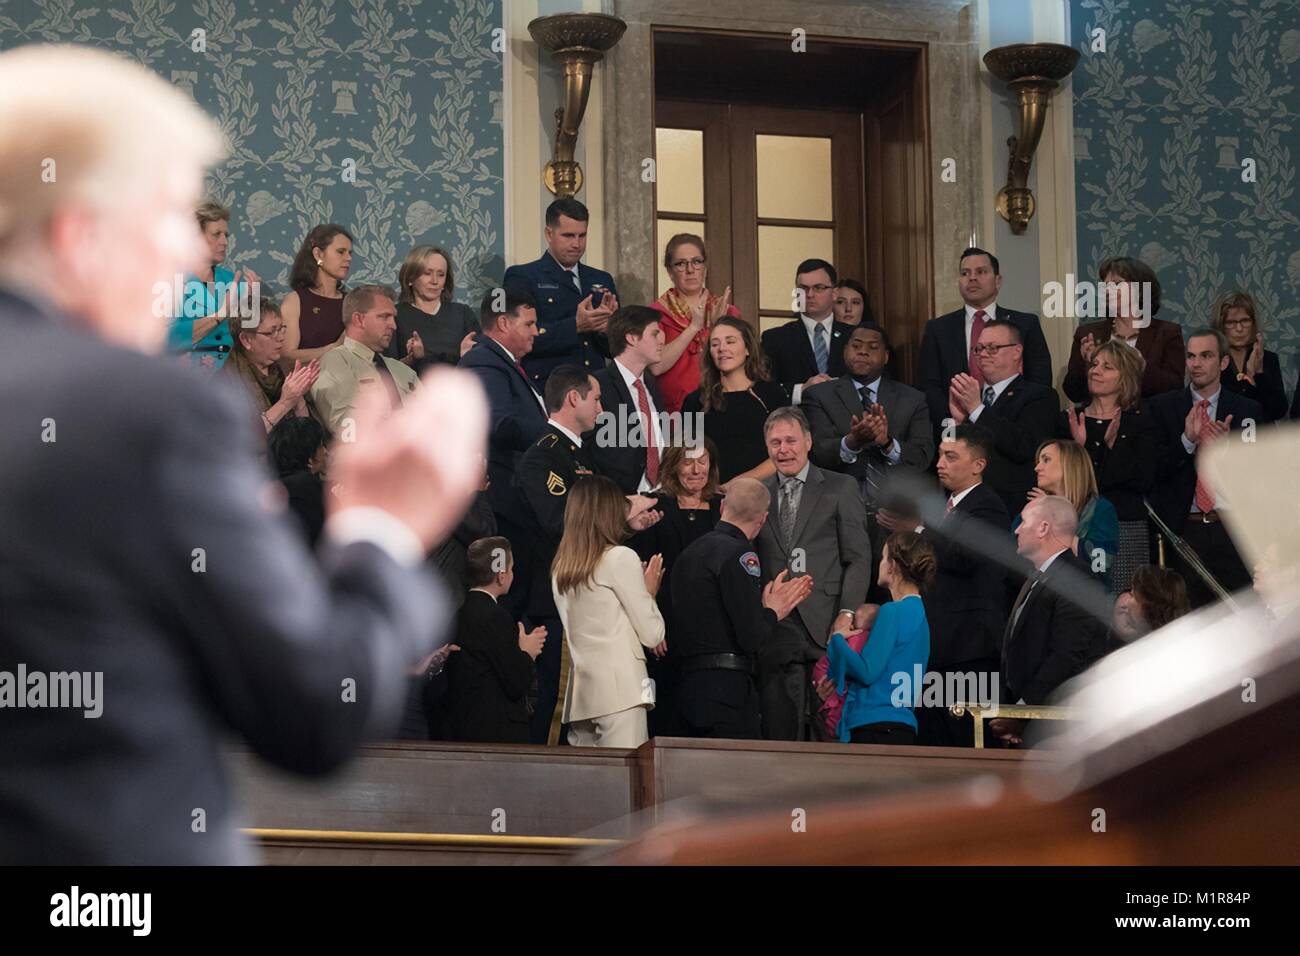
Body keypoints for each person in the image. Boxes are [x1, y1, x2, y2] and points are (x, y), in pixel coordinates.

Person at [0, 42, 488, 864]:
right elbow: (314, 708)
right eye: (167, 219)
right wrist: (384, 529)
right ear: (81, 234)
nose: (191, 259)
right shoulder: (149, 412)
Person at [881, 424, 1011, 747]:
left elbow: (966, 554)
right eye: (940, 455)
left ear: (978, 465)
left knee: (967, 743)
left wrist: (920, 530)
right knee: (934, 740)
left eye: (951, 456)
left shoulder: (987, 506)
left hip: (971, 651)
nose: (940, 463)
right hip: (939, 651)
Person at [755, 406, 873, 740]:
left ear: (808, 441)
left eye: (791, 440)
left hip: (826, 622)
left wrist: (846, 613)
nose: (783, 449)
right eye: (775, 442)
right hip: (777, 627)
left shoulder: (840, 487)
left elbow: (859, 557)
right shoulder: (760, 493)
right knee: (781, 729)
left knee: (828, 726)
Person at [670, 478, 814, 739]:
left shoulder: (689, 552)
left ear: (723, 505)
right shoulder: (741, 555)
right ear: (763, 519)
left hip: (686, 688)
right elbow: (751, 637)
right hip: (728, 692)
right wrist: (771, 611)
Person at [1149, 329, 1263, 608]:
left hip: (1231, 530)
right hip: (1183, 530)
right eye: (1190, 356)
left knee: (1239, 617)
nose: (1196, 364)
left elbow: (1260, 477)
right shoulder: (1162, 407)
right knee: (1185, 619)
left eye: (1206, 356)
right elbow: (1150, 471)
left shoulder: (1247, 410)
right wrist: (1187, 440)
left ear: (1223, 363)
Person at [552, 477, 666, 748]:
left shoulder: (560, 568)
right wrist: (649, 591)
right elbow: (653, 634)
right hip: (623, 694)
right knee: (625, 783)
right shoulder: (620, 557)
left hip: (582, 698)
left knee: (587, 786)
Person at [459, 282, 549, 611]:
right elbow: (500, 425)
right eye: (528, 323)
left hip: (517, 501)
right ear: (503, 323)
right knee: (514, 604)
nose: (536, 331)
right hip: (505, 502)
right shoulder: (485, 362)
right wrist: (556, 432)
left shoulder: (503, 363)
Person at [991, 496, 1108, 746]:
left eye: (1023, 522)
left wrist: (1023, 713)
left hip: (1058, 731)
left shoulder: (1075, 580)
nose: (1017, 529)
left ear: (1043, 528)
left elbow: (1065, 657)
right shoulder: (1041, 576)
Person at [631, 440, 724, 735]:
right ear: (673, 467)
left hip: (713, 627)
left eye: (703, 461)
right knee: (667, 708)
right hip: (666, 623)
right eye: (688, 462)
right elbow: (640, 571)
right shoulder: (656, 507)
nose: (697, 470)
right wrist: (652, 625)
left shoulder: (723, 508)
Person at [1060, 339, 1158, 592]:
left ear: (1125, 377)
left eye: (1107, 367)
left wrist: (1111, 447)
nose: (1095, 370)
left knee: (1125, 606)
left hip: (1124, 528)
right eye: (1094, 364)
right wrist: (1080, 448)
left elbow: (1141, 480)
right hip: (1075, 527)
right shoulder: (1071, 420)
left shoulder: (1140, 422)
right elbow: (1064, 480)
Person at [918, 247, 1052, 432]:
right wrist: (956, 420)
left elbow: (1039, 379)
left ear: (998, 281)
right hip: (954, 426)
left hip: (1011, 426)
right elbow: (929, 386)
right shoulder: (938, 328)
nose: (972, 278)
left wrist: (995, 420)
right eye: (965, 273)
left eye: (981, 272)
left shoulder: (1025, 324)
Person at [803, 322, 934, 502]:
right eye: (856, 346)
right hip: (836, 502)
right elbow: (815, 451)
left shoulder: (912, 399)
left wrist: (887, 443)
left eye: (873, 347)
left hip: (897, 506)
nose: (863, 352)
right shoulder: (818, 396)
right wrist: (851, 442)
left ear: (886, 356)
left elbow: (922, 456)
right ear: (845, 351)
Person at [824, 532, 934, 744]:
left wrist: (838, 639)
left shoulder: (892, 611)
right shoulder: (921, 615)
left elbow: (867, 671)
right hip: (901, 727)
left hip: (874, 726)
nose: (880, 563)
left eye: (883, 558)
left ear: (892, 565)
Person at [945, 318, 1060, 516]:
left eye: (992, 348)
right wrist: (957, 422)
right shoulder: (972, 396)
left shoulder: (1039, 396)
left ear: (1017, 352)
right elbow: (950, 452)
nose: (983, 354)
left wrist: (976, 410)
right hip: (965, 510)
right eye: (978, 349)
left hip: (1010, 510)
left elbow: (1024, 447)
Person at [503, 197, 620, 389]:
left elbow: (617, 350)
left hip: (595, 390)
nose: (576, 244)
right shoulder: (523, 276)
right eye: (568, 235)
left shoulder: (602, 279)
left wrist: (608, 330)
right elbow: (517, 338)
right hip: (550, 390)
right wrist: (575, 325)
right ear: (549, 234)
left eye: (582, 236)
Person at [445, 538, 546, 744]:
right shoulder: (495, 617)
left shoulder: (457, 614)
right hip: (495, 734)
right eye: (511, 568)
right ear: (501, 575)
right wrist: (527, 652)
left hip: (461, 728)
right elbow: (515, 681)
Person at [682, 317, 789, 484]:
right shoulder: (695, 401)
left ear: (747, 349)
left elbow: (786, 451)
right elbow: (685, 457)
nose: (722, 349)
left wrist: (740, 482)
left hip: (764, 490)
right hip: (712, 495)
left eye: (730, 342)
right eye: (715, 344)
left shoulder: (772, 394)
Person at [1063, 256, 1184, 403]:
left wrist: (1140, 366)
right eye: (1106, 285)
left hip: (1149, 421)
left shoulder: (1167, 332)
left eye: (1117, 284)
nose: (1108, 290)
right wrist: (1086, 363)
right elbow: (1073, 393)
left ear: (1140, 290)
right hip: (1099, 420)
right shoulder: (1088, 334)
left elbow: (1175, 387)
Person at [309, 284, 419, 435]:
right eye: (384, 317)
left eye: (393, 318)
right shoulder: (337, 361)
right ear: (359, 319)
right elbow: (343, 424)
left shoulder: (402, 370)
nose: (393, 325)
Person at [648, 233, 739, 413]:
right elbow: (656, 367)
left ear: (705, 267)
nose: (690, 269)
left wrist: (718, 325)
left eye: (697, 261)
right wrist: (694, 327)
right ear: (669, 270)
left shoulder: (727, 312)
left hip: (721, 407)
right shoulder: (656, 313)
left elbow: (739, 364)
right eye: (681, 264)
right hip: (674, 413)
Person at [166, 200, 260, 372]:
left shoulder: (233, 281)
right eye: (216, 234)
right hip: (186, 374)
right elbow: (164, 340)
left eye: (226, 235)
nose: (224, 242)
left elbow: (251, 337)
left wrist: (253, 301)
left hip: (234, 372)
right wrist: (218, 315)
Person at [589, 305, 669, 494]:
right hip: (616, 503)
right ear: (631, 338)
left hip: (660, 498)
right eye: (655, 334)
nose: (662, 340)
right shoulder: (598, 385)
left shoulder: (650, 385)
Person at [221, 298, 320, 443]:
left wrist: (298, 398)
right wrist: (285, 403)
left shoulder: (284, 368)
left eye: (281, 329)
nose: (281, 337)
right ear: (246, 340)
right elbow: (241, 442)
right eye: (272, 332)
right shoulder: (225, 381)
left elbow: (307, 436)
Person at [1027, 440, 1120, 592]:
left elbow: (1102, 563)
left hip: (1084, 602)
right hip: (1039, 598)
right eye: (1038, 461)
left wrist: (1055, 519)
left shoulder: (1100, 509)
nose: (1037, 468)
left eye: (1046, 459)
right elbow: (1015, 554)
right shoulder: (1034, 508)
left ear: (1069, 465)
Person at [761, 258, 856, 402]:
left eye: (818, 287)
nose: (810, 294)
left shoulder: (854, 335)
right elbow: (765, 390)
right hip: (797, 418)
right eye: (803, 288)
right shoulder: (775, 338)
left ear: (835, 293)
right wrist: (802, 389)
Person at [387, 245, 480, 374]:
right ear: (410, 278)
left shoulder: (463, 314)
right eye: (427, 273)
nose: (435, 281)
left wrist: (466, 357)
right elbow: (387, 370)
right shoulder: (395, 316)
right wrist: (413, 358)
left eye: (441, 275)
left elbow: (482, 366)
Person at [1211, 291, 1289, 424]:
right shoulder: (1212, 360)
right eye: (1231, 322)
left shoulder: (1269, 358)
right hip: (1225, 439)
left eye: (1245, 321)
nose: (1239, 328)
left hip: (1262, 439)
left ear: (1253, 324)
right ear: (1221, 326)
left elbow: (1278, 410)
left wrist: (1259, 374)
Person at [281, 223, 352, 364]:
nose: (348, 258)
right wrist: (334, 348)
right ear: (318, 254)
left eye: (350, 253)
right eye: (341, 252)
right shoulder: (295, 301)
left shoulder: (351, 302)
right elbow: (287, 355)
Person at [267, 415, 329, 548]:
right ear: (310, 456)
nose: (326, 452)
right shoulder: (305, 486)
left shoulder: (273, 487)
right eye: (321, 446)